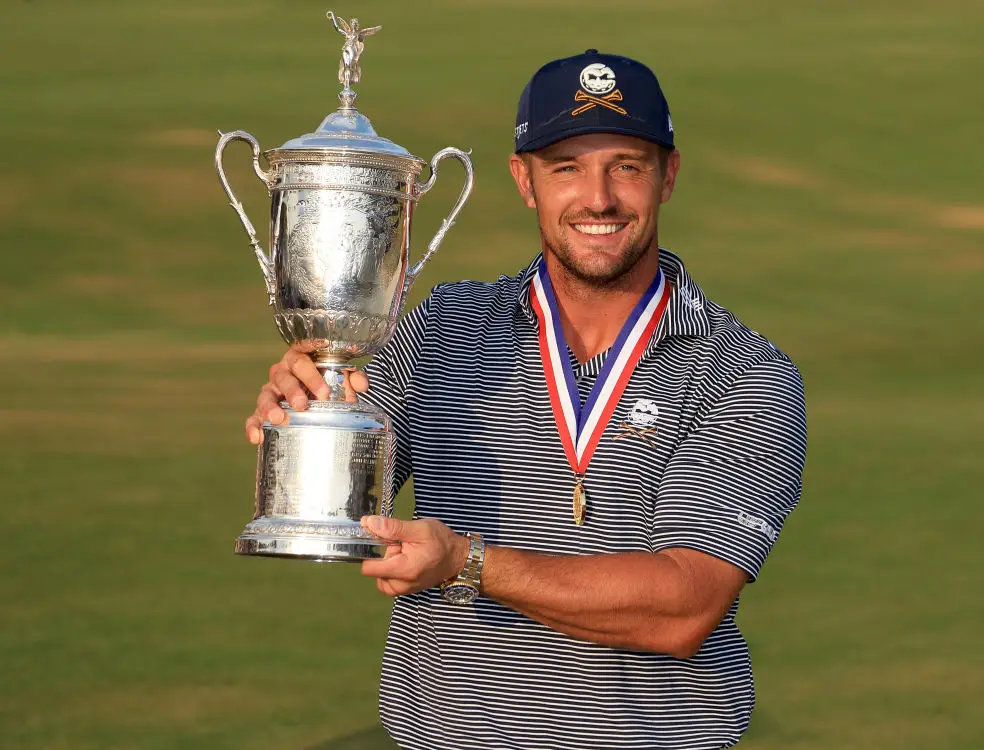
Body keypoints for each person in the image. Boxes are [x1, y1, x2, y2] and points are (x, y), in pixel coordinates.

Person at [245, 50, 807, 750]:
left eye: (626, 165)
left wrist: (468, 563)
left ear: (669, 176)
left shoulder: (745, 373)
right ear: (524, 181)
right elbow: (343, 503)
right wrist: (308, 404)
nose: (598, 197)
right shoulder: (441, 328)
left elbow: (684, 607)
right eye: (565, 166)